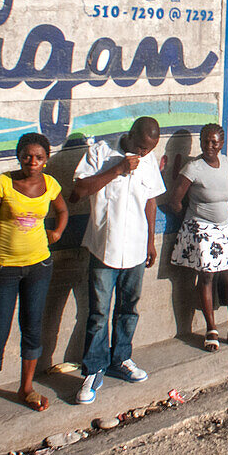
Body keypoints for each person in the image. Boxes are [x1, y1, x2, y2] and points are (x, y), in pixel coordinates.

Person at [0, 133, 68, 434]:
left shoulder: (50, 185)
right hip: (3, 270)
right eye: (27, 156)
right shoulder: (1, 184)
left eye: (38, 157)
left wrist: (57, 231)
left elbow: (63, 210)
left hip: (39, 267)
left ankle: (26, 388)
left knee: (32, 326)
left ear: (46, 158)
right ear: (18, 156)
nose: (32, 162)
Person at [73, 117, 165, 404]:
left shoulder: (148, 161)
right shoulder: (100, 153)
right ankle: (93, 369)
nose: (142, 154)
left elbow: (150, 200)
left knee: (129, 308)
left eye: (148, 150)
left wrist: (151, 240)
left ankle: (121, 358)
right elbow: (77, 192)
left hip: (136, 249)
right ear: (130, 134)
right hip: (105, 248)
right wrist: (119, 169)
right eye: (139, 146)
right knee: (99, 313)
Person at [168, 123, 228, 353]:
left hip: (224, 228)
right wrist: (192, 224)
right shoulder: (193, 168)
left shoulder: (227, 163)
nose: (209, 146)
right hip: (203, 228)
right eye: (205, 141)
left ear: (222, 144)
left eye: (214, 142)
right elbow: (175, 200)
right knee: (207, 277)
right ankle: (211, 329)